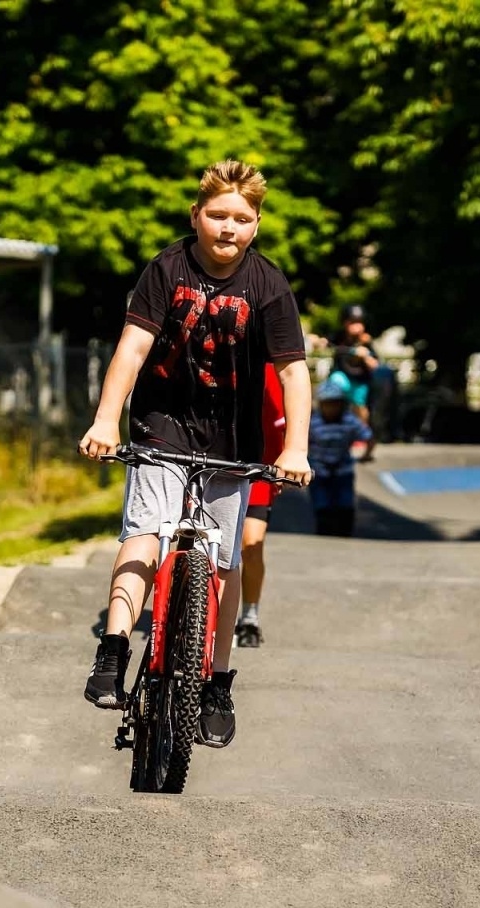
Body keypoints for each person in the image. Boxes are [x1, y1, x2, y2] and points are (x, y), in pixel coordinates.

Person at [78, 159, 313, 749]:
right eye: (217, 216)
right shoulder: (167, 268)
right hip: (163, 423)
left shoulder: (269, 286)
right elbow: (132, 350)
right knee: (146, 531)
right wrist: (107, 420)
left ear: (256, 225)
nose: (228, 228)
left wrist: (296, 448)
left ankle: (217, 683)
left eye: (242, 218)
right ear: (196, 216)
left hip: (234, 435)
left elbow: (294, 371)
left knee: (225, 563)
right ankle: (113, 649)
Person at [235, 361, 287, 649]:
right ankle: (204, 616)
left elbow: (279, 423)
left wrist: (282, 463)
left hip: (257, 467)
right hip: (216, 461)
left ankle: (250, 618)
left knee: (251, 544)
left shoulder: (268, 367)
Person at [309, 378, 371, 537]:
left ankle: (345, 530)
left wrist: (367, 454)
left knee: (345, 503)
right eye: (328, 404)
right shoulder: (313, 422)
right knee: (322, 504)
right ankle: (324, 529)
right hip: (319, 470)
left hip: (342, 469)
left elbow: (368, 437)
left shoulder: (349, 421)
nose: (332, 408)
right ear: (320, 405)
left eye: (335, 403)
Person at [328, 305, 379, 460]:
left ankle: (361, 435)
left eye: (359, 323)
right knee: (334, 384)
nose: (357, 327)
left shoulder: (366, 341)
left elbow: (375, 364)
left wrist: (365, 356)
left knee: (360, 406)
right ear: (345, 323)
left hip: (359, 382)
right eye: (353, 323)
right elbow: (325, 343)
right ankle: (333, 421)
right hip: (343, 377)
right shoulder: (339, 337)